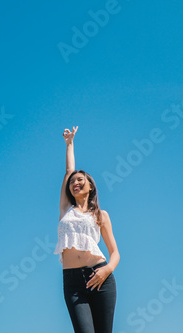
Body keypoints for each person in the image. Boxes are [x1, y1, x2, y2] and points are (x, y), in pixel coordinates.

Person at [54, 126, 120, 333]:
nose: (75, 182)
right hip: (73, 282)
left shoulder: (101, 215)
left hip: (100, 276)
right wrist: (70, 144)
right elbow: (68, 171)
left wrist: (107, 270)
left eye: (80, 180)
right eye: (73, 182)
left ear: (90, 186)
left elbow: (115, 253)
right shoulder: (66, 209)